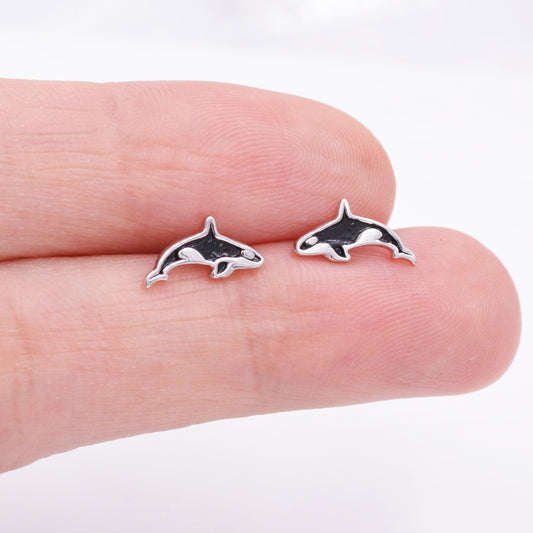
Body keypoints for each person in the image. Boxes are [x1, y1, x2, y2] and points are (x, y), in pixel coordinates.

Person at [0, 79, 521, 473]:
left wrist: (385, 249)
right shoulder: (220, 251)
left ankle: (393, 251)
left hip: (326, 236)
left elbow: (302, 250)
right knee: (177, 263)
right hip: (197, 251)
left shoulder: (331, 238)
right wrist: (175, 267)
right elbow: (223, 257)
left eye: (311, 245)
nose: (302, 248)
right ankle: (164, 272)